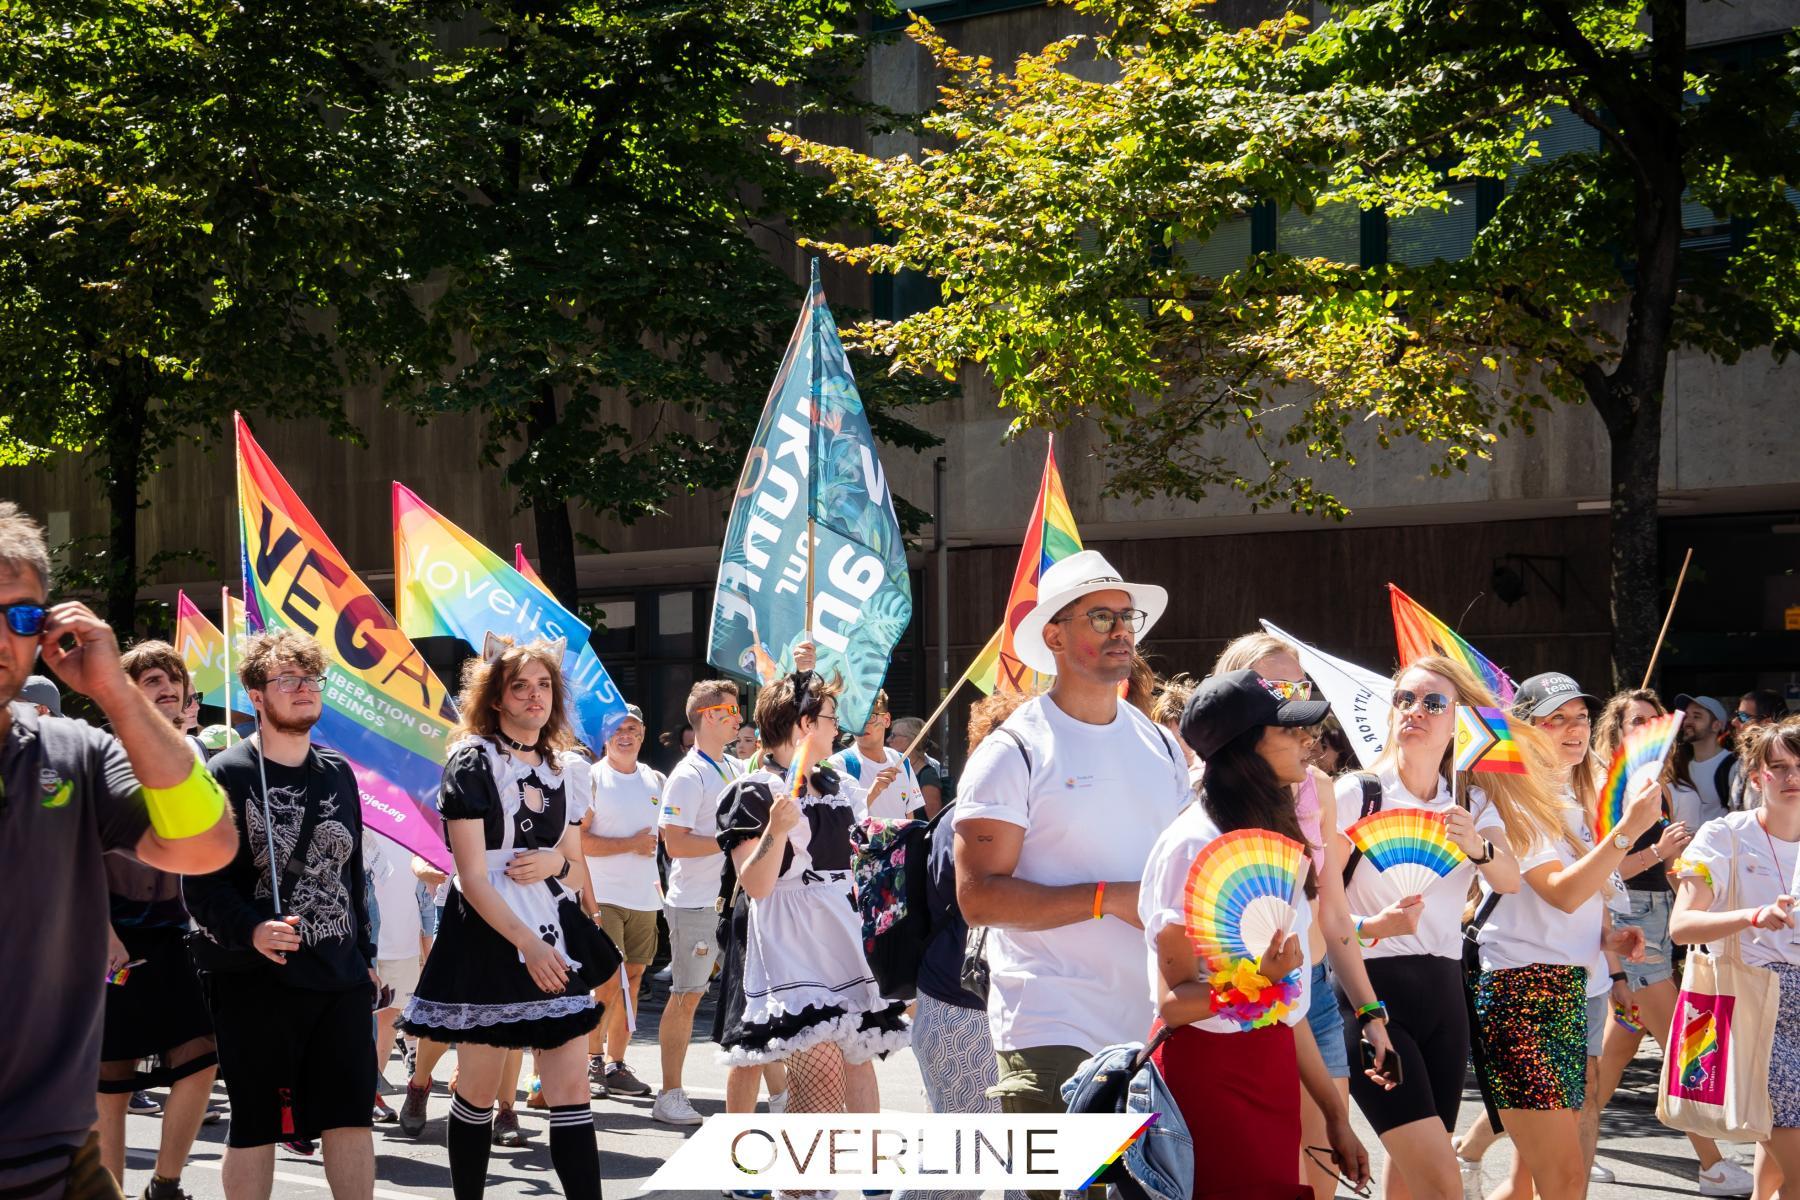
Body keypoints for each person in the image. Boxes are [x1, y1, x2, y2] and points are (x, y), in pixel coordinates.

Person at [0, 502, 236, 1200]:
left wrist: (115, 691)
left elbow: (204, 844)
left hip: (58, 1159)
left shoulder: (70, 752)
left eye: (20, 617)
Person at [953, 550, 1189, 1165]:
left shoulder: (1163, 745)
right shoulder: (1013, 750)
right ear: (1054, 635)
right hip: (1050, 1026)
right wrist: (1110, 899)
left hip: (1152, 1027)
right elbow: (977, 897)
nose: (1121, 631)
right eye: (1101, 617)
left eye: (1126, 617)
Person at [1140, 669, 1370, 1199]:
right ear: (1245, 747)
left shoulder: (1273, 837)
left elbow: (1288, 1007)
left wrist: (1336, 1116)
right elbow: (1172, 1003)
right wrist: (1257, 980)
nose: (1307, 741)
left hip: (1272, 1074)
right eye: (1288, 730)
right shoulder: (1191, 844)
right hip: (1208, 1079)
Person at [397, 636, 611, 1200]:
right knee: (480, 1090)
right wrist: (528, 946)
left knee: (571, 1091)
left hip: (553, 931)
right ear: (497, 698)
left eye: (544, 685)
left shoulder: (568, 769)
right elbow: (470, 876)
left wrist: (559, 860)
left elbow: (574, 872)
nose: (534, 696)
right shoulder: (472, 760)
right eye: (520, 686)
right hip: (489, 937)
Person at [183, 630, 380, 1200]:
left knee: (351, 1118)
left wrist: (363, 957)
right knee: (256, 1125)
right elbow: (200, 883)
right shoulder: (224, 774)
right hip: (255, 980)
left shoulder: (338, 773)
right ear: (254, 694)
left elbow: (352, 876)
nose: (303, 690)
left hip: (339, 978)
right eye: (287, 680)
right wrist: (252, 928)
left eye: (310, 679)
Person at [1328, 655, 1526, 1200]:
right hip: (1369, 995)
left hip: (1445, 996)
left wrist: (1479, 847)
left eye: (1434, 702)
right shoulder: (1358, 793)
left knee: (1415, 1175)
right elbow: (1318, 908)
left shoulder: (1469, 801)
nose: (1415, 711)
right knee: (1443, 1183)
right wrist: (1374, 925)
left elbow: (1508, 879)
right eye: (1404, 699)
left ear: (1458, 719)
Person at [1212, 633, 1396, 1200]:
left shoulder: (1319, 789)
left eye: (1300, 686)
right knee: (1268, 1172)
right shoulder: (1210, 795)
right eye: (1275, 686)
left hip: (1314, 995)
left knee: (1323, 1172)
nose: (1293, 700)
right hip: (1245, 997)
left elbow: (1334, 912)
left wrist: (1370, 1011)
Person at [1460, 672, 1657, 1200]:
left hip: (1573, 985)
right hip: (1522, 992)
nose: (1574, 730)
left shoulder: (1572, 797)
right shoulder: (1509, 799)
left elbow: (1578, 901)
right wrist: (1629, 831)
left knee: (1543, 1177)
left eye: (1581, 718)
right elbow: (1561, 893)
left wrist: (1607, 942)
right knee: (1566, 1176)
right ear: (1525, 731)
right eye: (1556, 720)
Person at [714, 673, 910, 1134]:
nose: (838, 729)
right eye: (829, 718)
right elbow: (756, 885)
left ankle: (867, 1167)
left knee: (857, 1057)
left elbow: (863, 858)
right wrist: (775, 829)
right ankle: (800, 1182)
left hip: (841, 925)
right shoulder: (753, 792)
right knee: (818, 1068)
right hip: (790, 934)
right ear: (804, 724)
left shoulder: (840, 786)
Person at [1588, 689, 1752, 1196]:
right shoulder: (1603, 785)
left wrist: (1679, 870)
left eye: (1652, 721)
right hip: (1628, 924)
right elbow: (1603, 871)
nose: (1646, 729)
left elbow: (1662, 867)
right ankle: (1712, 1164)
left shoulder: (1656, 785)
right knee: (1684, 1037)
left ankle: (1489, 1144)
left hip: (1656, 919)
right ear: (1615, 731)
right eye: (1635, 721)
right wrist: (1658, 849)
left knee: (1617, 1050)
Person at [96, 643, 222, 1200]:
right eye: (152, 680)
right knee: (111, 1082)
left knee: (201, 1061)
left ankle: (164, 1186)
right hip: (110, 940)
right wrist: (103, 935)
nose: (168, 687)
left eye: (175, 680)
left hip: (174, 937)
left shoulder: (193, 758)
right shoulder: (99, 757)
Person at [894, 693, 1022, 1200]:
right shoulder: (972, 818)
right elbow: (982, 905)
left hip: (979, 1003)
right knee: (963, 1167)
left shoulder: (995, 813)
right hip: (964, 1006)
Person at [1671, 717, 1800, 1200]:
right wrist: (1753, 916)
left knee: (1777, 1171)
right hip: (1753, 1001)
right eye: (1779, 767)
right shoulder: (1724, 836)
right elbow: (1681, 926)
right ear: (1755, 774)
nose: (1792, 777)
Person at [654, 679, 772, 1128]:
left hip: (733, 901)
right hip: (695, 903)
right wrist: (732, 840)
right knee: (687, 996)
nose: (738, 718)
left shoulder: (733, 767)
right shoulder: (688, 775)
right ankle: (669, 1094)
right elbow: (676, 844)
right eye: (730, 710)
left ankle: (779, 1093)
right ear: (708, 715)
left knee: (755, 994)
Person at [581, 704, 663, 1100]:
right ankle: (591, 1061)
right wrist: (631, 844)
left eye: (632, 728)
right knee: (607, 983)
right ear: (604, 737)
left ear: (643, 733)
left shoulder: (655, 780)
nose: (624, 735)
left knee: (632, 982)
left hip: (646, 896)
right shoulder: (593, 779)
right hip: (604, 896)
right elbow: (578, 842)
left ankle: (616, 1064)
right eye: (617, 729)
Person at [363, 830, 425, 1127]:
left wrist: (426, 938)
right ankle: (358, 1094)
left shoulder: (409, 817)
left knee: (388, 1019)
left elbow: (423, 890)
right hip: (367, 940)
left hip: (403, 938)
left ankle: (372, 1093)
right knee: (364, 1022)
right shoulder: (362, 815)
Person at [827, 689, 922, 821]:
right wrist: (873, 792)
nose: (862, 725)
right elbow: (838, 819)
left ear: (886, 720)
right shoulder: (839, 764)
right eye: (856, 718)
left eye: (870, 716)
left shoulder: (902, 761)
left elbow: (909, 815)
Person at [1672, 695, 1735, 828]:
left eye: (1696, 716)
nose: (1687, 722)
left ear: (1716, 725)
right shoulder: (1677, 766)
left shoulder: (1733, 766)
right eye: (1687, 716)